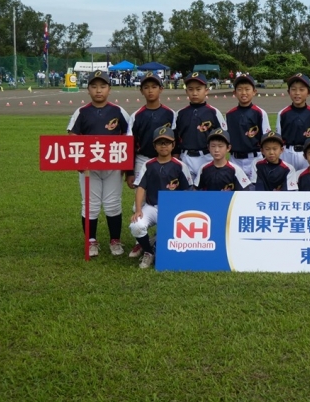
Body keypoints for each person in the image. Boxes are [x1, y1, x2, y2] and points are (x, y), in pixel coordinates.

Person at [66, 70, 131, 257]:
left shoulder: (118, 111)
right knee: (90, 205)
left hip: (113, 166)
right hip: (89, 168)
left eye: (103, 86)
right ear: (88, 90)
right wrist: (79, 162)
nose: (98, 90)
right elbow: (72, 136)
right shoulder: (81, 112)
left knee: (113, 204)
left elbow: (129, 137)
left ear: (109, 89)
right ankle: (91, 240)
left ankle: (115, 240)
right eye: (94, 86)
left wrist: (126, 167)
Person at [129, 127, 192, 268]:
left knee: (170, 241)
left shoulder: (180, 166)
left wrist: (183, 211)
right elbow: (141, 188)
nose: (163, 146)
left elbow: (187, 190)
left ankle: (157, 240)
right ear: (154, 146)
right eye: (160, 143)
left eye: (167, 142)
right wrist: (138, 209)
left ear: (173, 145)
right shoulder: (148, 165)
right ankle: (148, 251)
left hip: (173, 210)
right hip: (152, 207)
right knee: (136, 226)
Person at [174, 71, 227, 182]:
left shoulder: (214, 112)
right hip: (186, 157)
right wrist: (176, 158)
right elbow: (175, 138)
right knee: (187, 189)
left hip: (207, 156)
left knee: (208, 188)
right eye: (190, 89)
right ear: (186, 91)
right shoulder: (180, 113)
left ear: (206, 90)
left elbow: (224, 136)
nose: (194, 93)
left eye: (198, 89)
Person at [226, 74, 271, 180]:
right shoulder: (229, 114)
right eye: (240, 89)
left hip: (255, 158)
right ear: (234, 93)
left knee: (256, 187)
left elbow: (267, 138)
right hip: (235, 159)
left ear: (254, 92)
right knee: (237, 187)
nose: (243, 92)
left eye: (247, 89)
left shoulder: (260, 113)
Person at [276, 73, 310, 172]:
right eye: (293, 89)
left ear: (309, 92)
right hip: (287, 153)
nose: (297, 93)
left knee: (306, 179)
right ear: (289, 92)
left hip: (308, 153)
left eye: (302, 89)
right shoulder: (282, 113)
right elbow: (278, 138)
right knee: (287, 179)